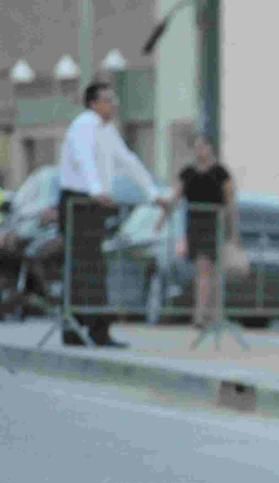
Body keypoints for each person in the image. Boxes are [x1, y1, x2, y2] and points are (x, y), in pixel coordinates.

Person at [56, 81, 167, 347]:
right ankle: (77, 328)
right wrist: (95, 189)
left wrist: (153, 193)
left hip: (94, 204)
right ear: (93, 103)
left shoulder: (107, 131)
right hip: (79, 202)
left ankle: (93, 329)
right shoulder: (84, 124)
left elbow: (127, 160)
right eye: (108, 100)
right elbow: (84, 159)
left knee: (93, 267)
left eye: (114, 99)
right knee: (81, 267)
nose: (114, 105)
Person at [160, 136, 237, 328]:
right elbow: (175, 197)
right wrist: (161, 219)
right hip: (194, 224)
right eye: (196, 147)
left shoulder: (221, 173)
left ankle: (202, 315)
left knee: (207, 268)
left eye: (203, 146)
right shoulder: (188, 173)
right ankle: (207, 313)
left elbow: (230, 202)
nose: (200, 151)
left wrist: (233, 230)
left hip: (213, 223)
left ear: (210, 149)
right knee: (203, 271)